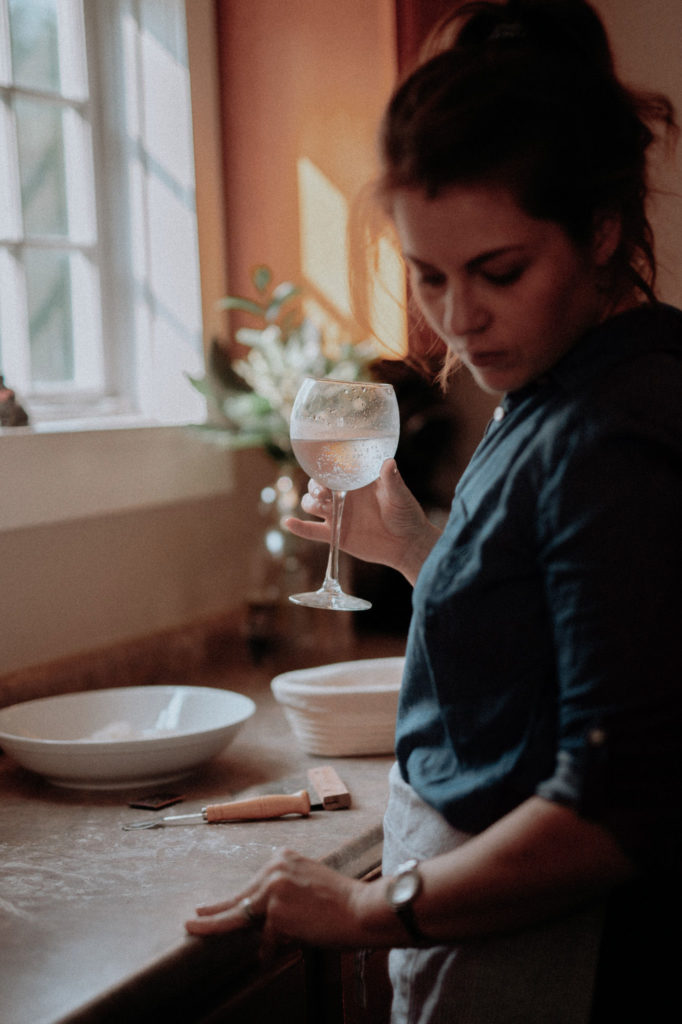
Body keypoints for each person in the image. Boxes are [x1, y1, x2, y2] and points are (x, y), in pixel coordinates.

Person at [185, 2, 681, 1020]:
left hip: (547, 950)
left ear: (598, 228)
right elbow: (548, 632)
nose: (460, 317)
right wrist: (416, 549)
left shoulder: (612, 427)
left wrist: (367, 909)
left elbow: (618, 809)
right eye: (428, 274)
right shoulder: (559, 378)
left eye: (499, 272)